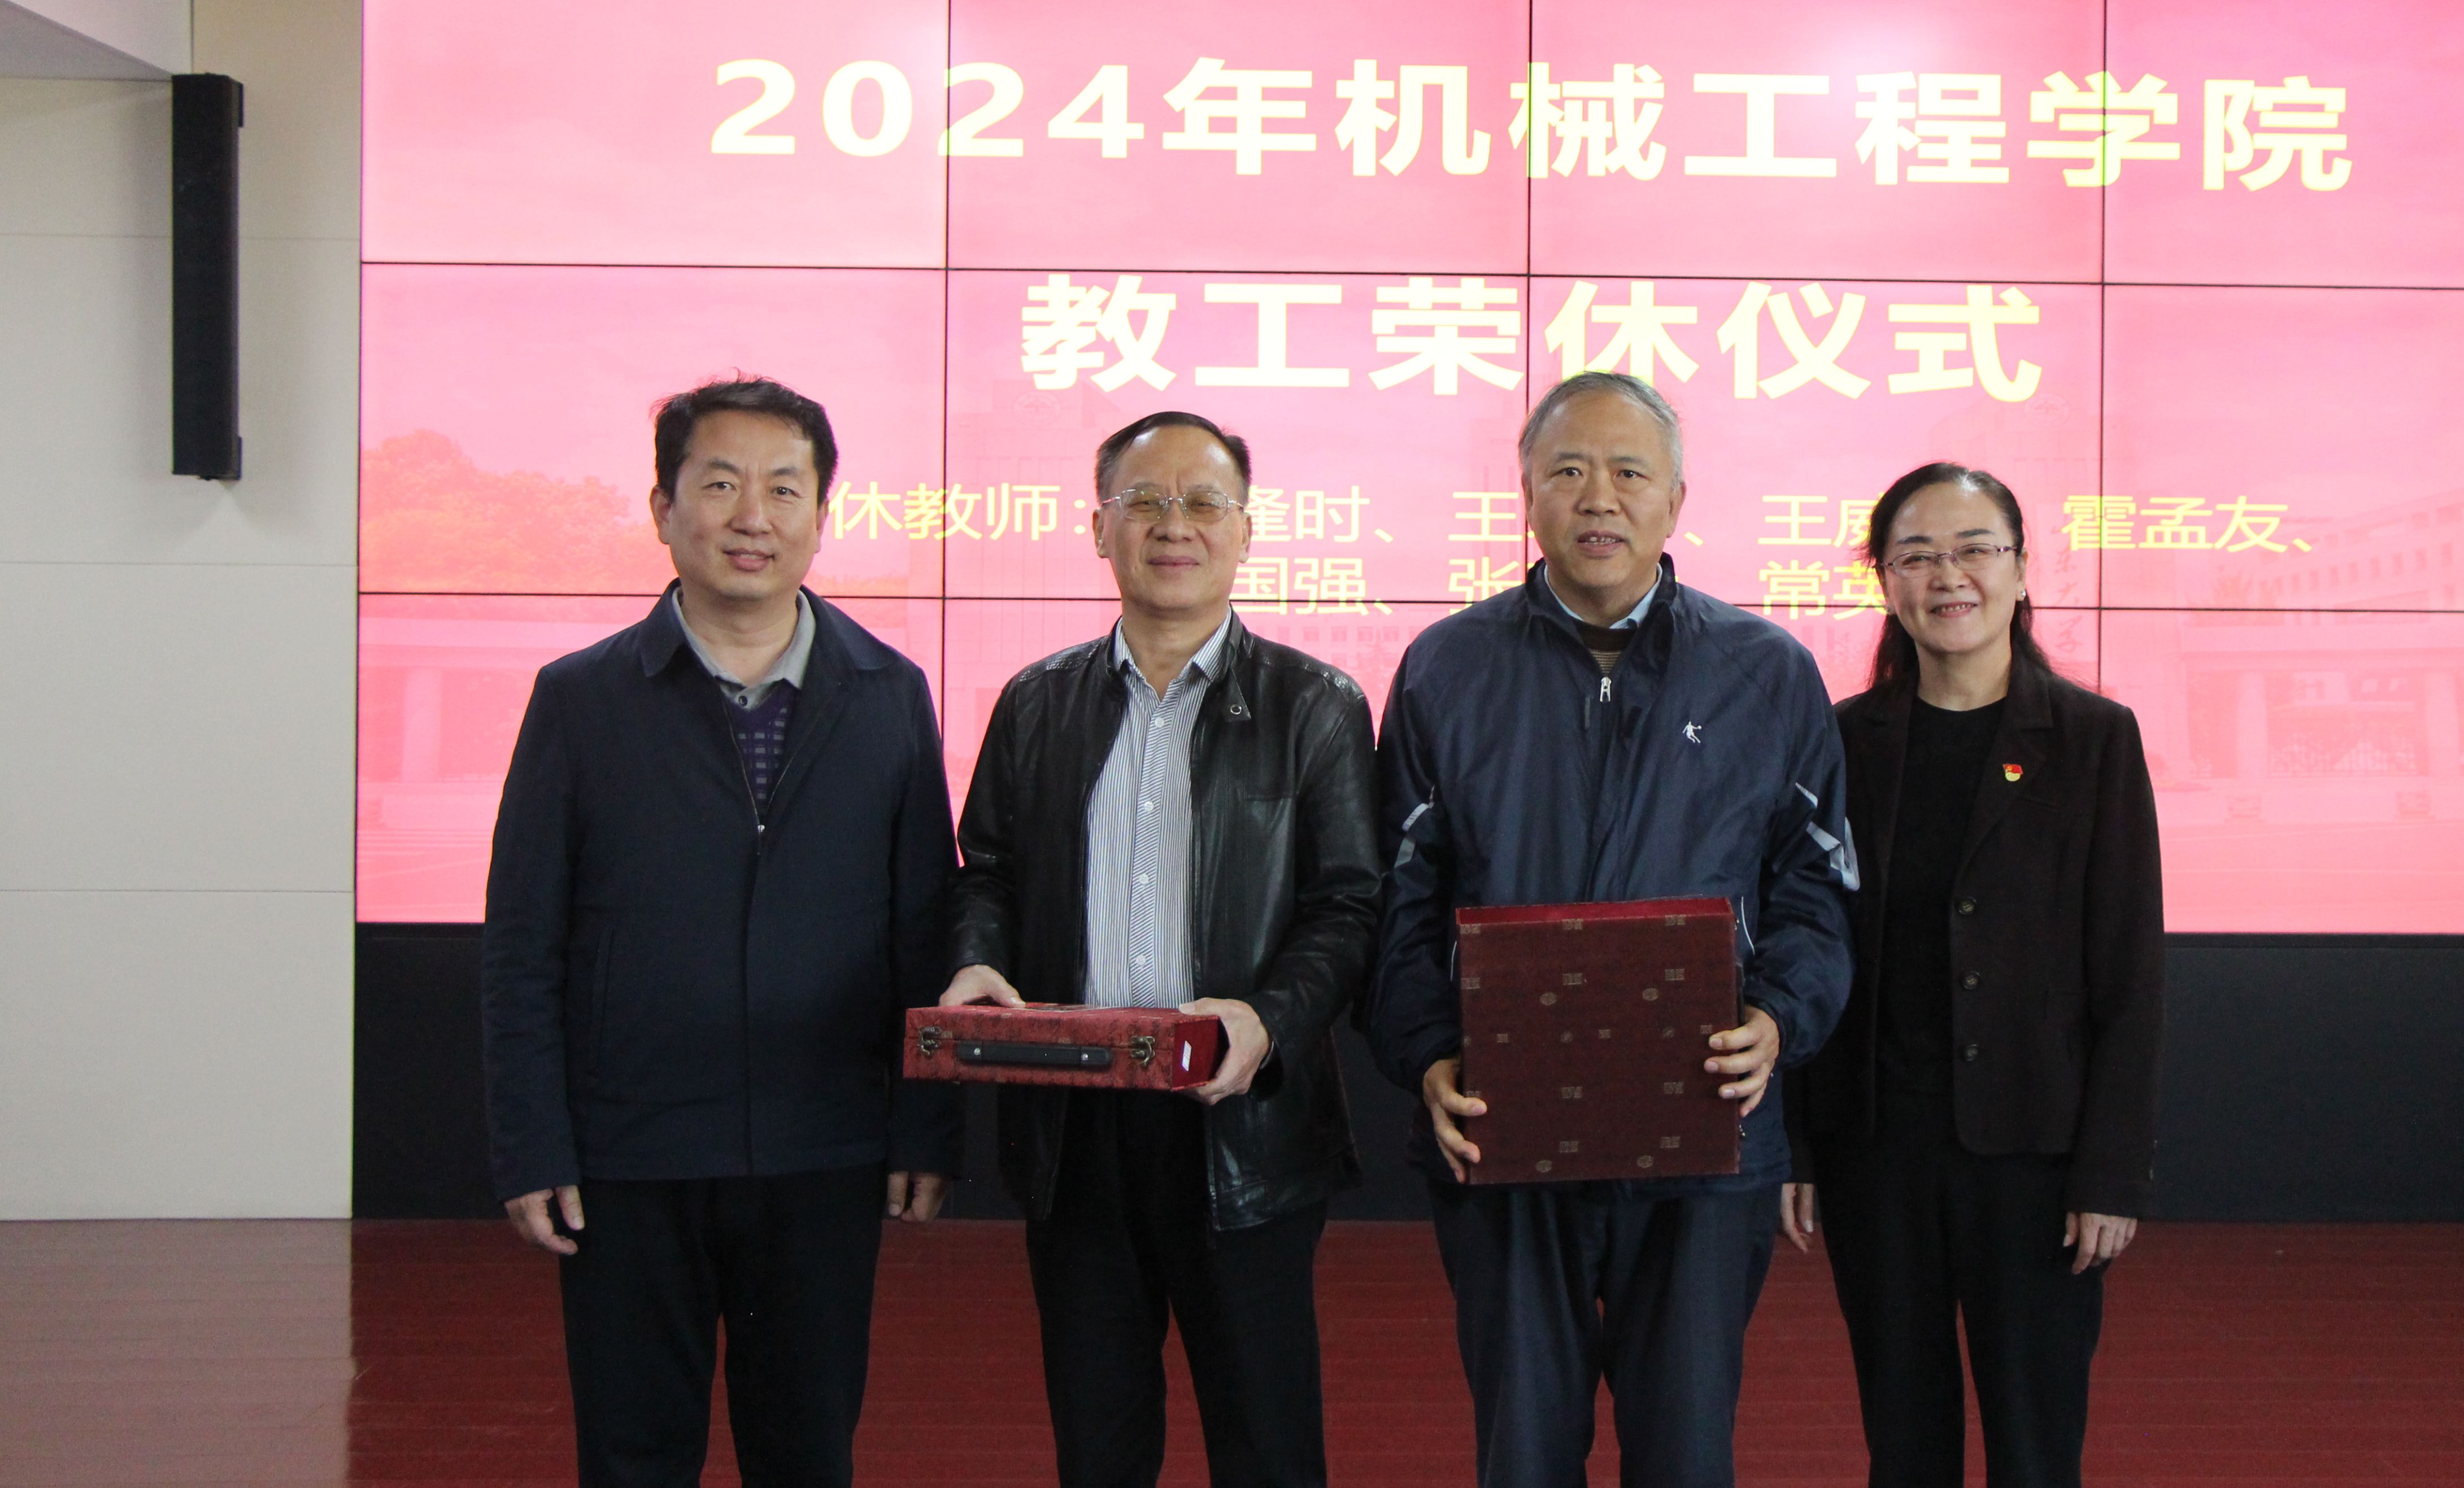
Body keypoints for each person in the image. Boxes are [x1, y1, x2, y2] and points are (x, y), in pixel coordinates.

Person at [1367, 370, 1856, 1488]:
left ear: (1675, 498)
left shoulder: (1765, 670)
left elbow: (1815, 888)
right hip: (1504, 1130)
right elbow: (1400, 895)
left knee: (1685, 1451)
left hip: (1705, 1134)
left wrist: (1781, 1018)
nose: (1600, 496)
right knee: (1523, 1451)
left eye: (1630, 471)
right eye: (1570, 470)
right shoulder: (1447, 665)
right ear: (1526, 494)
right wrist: (1427, 1052)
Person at [482, 375, 960, 1488]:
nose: (754, 515)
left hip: (824, 1147)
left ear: (821, 515)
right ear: (663, 507)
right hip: (630, 1152)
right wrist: (533, 1143)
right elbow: (522, 943)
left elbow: (922, 928)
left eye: (785, 488)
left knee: (807, 1450)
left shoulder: (888, 693)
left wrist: (925, 1128)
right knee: (633, 1452)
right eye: (720, 484)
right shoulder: (581, 699)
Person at [941, 409, 1381, 1488]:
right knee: (1098, 1443)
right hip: (1076, 1123)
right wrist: (979, 956)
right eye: (1143, 501)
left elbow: (1349, 905)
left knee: (1267, 1444)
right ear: (1099, 527)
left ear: (1246, 530)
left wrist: (1267, 1019)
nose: (1172, 524)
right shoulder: (1036, 702)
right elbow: (987, 869)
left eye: (1202, 502)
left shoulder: (1316, 705)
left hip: (1240, 1125)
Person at [1783, 462, 2165, 1488]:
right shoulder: (1841, 741)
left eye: (1973, 550)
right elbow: (1806, 941)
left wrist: (2110, 1172)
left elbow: (2130, 972)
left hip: (2035, 1156)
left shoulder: (2092, 739)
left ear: (2022, 567)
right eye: (1916, 555)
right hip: (1878, 1152)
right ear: (1884, 580)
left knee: (2037, 1447)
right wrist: (1800, 1142)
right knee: (1903, 1440)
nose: (1947, 576)